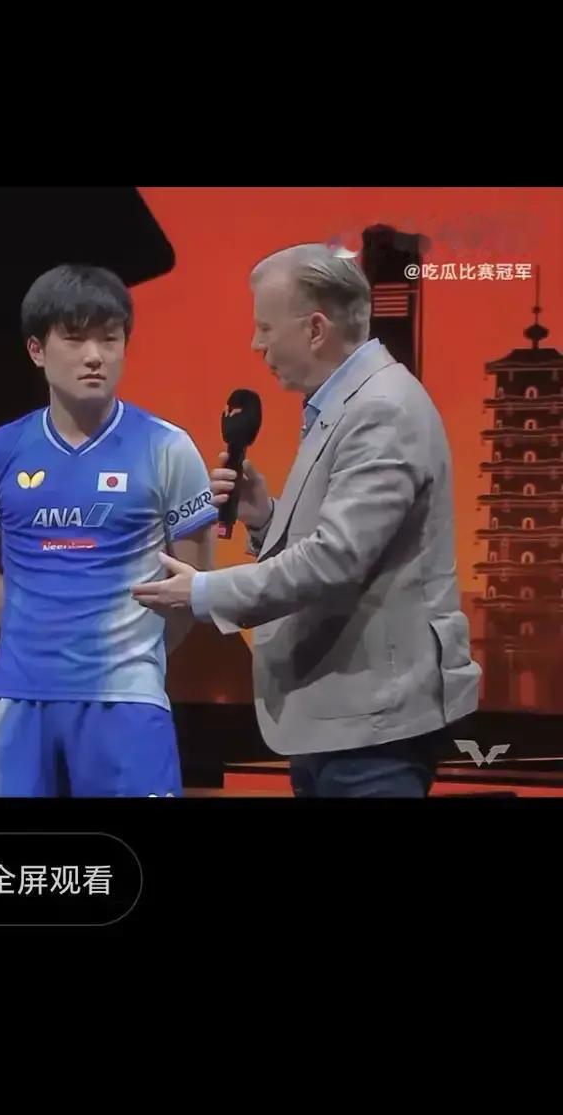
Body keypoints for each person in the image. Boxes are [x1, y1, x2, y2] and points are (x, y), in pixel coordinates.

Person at [133, 244, 481, 797]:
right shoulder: (342, 404)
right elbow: (344, 543)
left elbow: (335, 559)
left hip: (374, 725)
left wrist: (200, 592)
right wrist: (264, 518)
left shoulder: (381, 408)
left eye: (265, 328)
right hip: (337, 718)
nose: (257, 344)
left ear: (316, 329)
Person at [0, 263, 218, 796]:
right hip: (18, 699)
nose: (95, 356)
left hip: (129, 702)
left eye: (110, 339)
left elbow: (191, 588)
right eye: (75, 339)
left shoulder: (168, 448)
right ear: (37, 349)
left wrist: (130, 652)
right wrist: (42, 637)